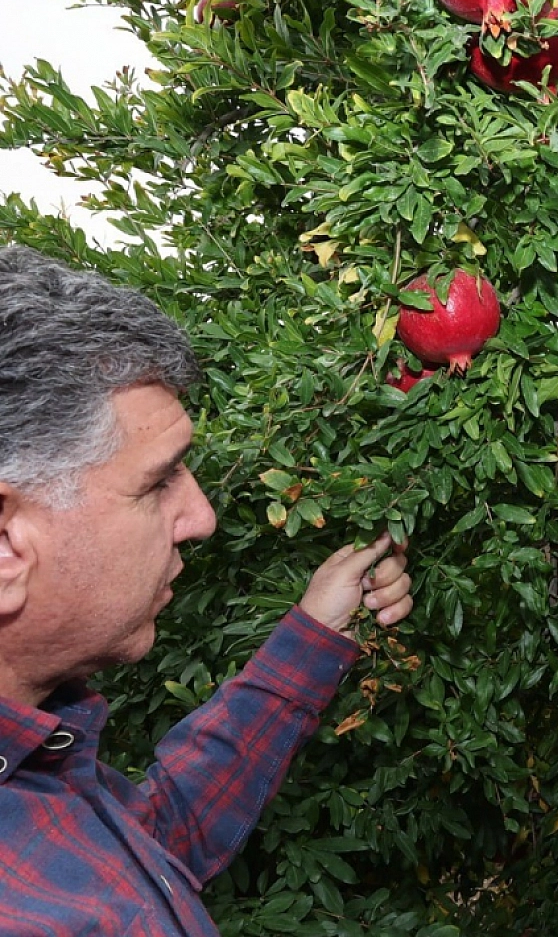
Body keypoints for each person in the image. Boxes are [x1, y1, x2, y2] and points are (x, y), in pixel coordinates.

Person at [0, 245, 415, 936]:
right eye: (157, 482)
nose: (201, 519)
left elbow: (144, 846)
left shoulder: (35, 779)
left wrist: (314, 634)